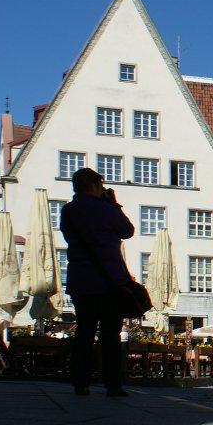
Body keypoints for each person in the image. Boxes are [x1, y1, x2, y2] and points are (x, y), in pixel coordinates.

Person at [60, 167, 135, 398]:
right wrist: (113, 204)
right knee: (110, 336)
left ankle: (80, 383)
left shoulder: (68, 211)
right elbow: (127, 231)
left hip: (81, 280)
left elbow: (68, 236)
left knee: (84, 333)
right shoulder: (105, 209)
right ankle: (113, 385)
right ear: (95, 186)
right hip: (109, 281)